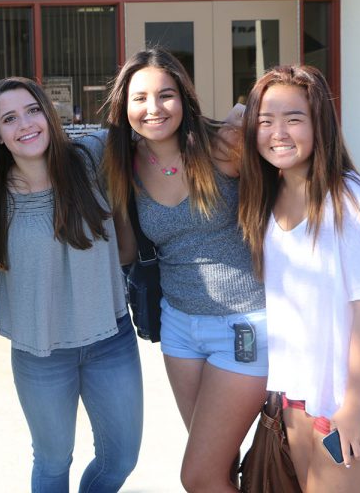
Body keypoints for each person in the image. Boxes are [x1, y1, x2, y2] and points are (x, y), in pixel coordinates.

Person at [102, 48, 267, 492]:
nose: (153, 108)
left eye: (165, 95)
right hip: (179, 328)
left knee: (198, 476)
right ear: (124, 107)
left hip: (244, 324)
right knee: (218, 462)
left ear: (184, 98)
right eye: (140, 98)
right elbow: (125, 250)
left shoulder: (222, 145)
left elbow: (285, 191)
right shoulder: (124, 166)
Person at [238, 65, 360, 492]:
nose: (278, 132)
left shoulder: (347, 199)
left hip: (352, 398)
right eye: (265, 120)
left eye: (294, 119)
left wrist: (352, 405)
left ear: (320, 125)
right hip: (299, 393)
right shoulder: (268, 194)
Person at [0, 76, 143, 492]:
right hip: (41, 353)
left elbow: (143, 124)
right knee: (53, 461)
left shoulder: (90, 159)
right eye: (10, 119)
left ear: (50, 116)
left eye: (33, 110)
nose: (25, 124)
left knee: (121, 458)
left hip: (110, 339)